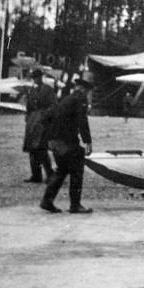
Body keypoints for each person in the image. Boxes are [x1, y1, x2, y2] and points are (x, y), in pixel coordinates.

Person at [40, 78, 94, 214]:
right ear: (83, 89)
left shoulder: (65, 99)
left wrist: (52, 133)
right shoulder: (80, 99)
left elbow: (45, 118)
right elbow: (82, 120)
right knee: (76, 169)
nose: (87, 95)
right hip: (66, 141)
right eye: (87, 92)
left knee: (62, 170)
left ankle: (47, 201)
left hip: (54, 141)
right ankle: (75, 205)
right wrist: (87, 140)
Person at [22, 68, 57, 183]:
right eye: (34, 78)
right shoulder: (32, 91)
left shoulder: (48, 90)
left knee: (41, 148)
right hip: (32, 122)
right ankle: (36, 175)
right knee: (32, 149)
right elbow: (29, 106)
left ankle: (50, 174)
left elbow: (53, 105)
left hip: (42, 122)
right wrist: (27, 116)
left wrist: (45, 115)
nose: (35, 79)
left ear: (41, 77)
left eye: (37, 77)